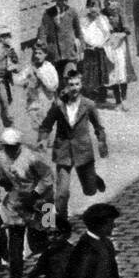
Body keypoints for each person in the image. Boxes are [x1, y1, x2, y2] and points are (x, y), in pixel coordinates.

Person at [0, 128, 54, 278]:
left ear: (19, 145)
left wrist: (35, 195)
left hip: (43, 202)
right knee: (15, 243)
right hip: (16, 204)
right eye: (7, 147)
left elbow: (48, 178)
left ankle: (51, 272)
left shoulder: (33, 158)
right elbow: (2, 175)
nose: (10, 150)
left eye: (13, 147)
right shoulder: (1, 158)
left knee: (43, 242)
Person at [38, 68, 108, 233]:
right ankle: (61, 224)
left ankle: (94, 179)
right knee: (62, 192)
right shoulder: (58, 105)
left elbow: (98, 126)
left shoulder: (89, 105)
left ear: (81, 85)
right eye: (71, 85)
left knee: (90, 190)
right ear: (66, 86)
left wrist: (102, 142)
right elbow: (46, 124)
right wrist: (42, 138)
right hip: (63, 152)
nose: (74, 88)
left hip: (83, 152)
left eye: (77, 84)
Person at [35, 0, 84, 77]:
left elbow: (79, 32)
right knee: (56, 81)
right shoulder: (48, 13)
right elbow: (43, 32)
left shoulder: (72, 12)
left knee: (70, 78)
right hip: (54, 55)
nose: (64, 1)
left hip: (70, 53)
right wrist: (43, 48)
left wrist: (81, 50)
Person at [18, 43, 59, 131]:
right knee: (35, 127)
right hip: (33, 102)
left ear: (45, 54)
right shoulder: (30, 67)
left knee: (46, 128)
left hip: (46, 102)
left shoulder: (49, 68)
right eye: (35, 53)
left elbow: (53, 86)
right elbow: (19, 80)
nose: (37, 56)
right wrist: (26, 82)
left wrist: (40, 75)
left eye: (40, 53)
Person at [78, 0, 112, 103]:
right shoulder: (84, 20)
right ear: (87, 7)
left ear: (100, 8)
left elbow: (107, 33)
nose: (94, 9)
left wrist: (101, 43)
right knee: (89, 73)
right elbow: (83, 33)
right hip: (89, 50)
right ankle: (89, 94)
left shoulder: (103, 19)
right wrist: (88, 44)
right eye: (91, 6)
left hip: (100, 48)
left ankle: (102, 94)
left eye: (96, 6)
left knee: (101, 71)